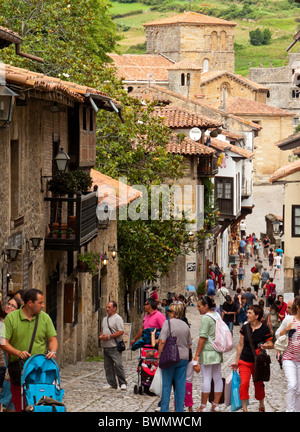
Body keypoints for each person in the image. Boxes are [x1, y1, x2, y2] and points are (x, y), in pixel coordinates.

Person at [0, 288, 58, 412]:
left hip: (40, 370)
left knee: (38, 402)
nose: (43, 306)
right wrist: (18, 353)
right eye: (40, 302)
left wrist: (53, 351)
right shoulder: (11, 318)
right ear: (30, 303)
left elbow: (52, 339)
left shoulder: (45, 318)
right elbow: (3, 342)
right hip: (18, 369)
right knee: (18, 403)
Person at [230, 305, 273, 412]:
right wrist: (236, 361)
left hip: (258, 362)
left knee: (258, 384)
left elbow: (271, 344)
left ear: (257, 316)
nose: (247, 315)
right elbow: (240, 345)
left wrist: (267, 346)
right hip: (244, 360)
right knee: (244, 384)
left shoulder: (264, 329)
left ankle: (261, 404)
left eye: (250, 313)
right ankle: (245, 409)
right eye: (247, 312)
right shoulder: (245, 328)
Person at [157, 303, 192, 412]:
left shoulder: (167, 323)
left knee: (167, 386)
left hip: (169, 357)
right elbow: (189, 343)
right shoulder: (185, 325)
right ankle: (179, 410)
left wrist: (159, 356)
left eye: (169, 312)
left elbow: (162, 341)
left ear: (173, 313)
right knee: (180, 386)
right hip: (183, 358)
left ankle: (165, 410)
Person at [193, 296, 224, 412]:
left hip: (207, 351)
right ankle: (216, 404)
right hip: (217, 350)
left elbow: (202, 337)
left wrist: (196, 355)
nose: (197, 308)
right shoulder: (217, 315)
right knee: (217, 377)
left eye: (199, 306)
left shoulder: (206, 318)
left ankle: (203, 406)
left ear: (206, 306)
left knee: (206, 378)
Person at [275, 296, 300, 411]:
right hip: (289, 358)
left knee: (299, 389)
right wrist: (286, 329)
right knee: (292, 385)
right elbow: (277, 335)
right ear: (298, 307)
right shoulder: (289, 320)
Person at [0, 297, 22, 412]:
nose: (9, 306)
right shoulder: (1, 322)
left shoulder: (15, 324)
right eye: (8, 304)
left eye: (13, 306)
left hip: (8, 363)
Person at [99, 301, 127, 391]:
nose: (107, 309)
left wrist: (108, 337)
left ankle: (122, 383)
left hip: (114, 346)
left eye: (109, 307)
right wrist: (101, 336)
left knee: (118, 365)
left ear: (114, 308)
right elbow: (102, 330)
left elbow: (121, 331)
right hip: (106, 346)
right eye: (107, 307)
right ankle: (112, 383)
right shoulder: (104, 319)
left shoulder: (117, 318)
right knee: (108, 366)